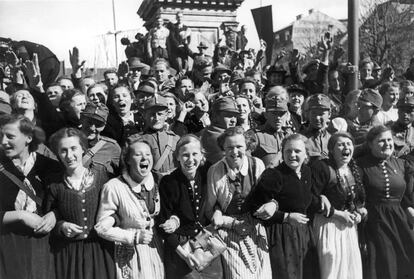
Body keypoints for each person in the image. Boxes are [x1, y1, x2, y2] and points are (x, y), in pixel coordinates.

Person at [247, 133, 320, 279]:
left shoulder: (306, 171)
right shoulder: (274, 175)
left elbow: (304, 198)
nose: (292, 155)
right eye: (288, 151)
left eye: (297, 151)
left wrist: (322, 199)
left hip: (303, 233)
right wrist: (285, 217)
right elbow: (254, 207)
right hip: (281, 235)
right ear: (282, 153)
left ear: (306, 153)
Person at [46, 128, 116, 279]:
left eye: (73, 148)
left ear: (83, 149)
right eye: (63, 151)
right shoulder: (54, 185)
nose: (69, 155)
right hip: (69, 254)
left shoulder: (101, 176)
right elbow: (48, 218)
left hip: (100, 251)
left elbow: (117, 206)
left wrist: (112, 219)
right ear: (58, 154)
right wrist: (61, 226)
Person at [206, 126, 272, 279]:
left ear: (247, 146)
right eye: (230, 147)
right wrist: (222, 216)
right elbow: (209, 210)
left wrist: (270, 205)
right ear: (223, 148)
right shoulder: (215, 171)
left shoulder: (257, 165)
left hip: (255, 228)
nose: (235, 152)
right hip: (229, 231)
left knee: (264, 275)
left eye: (239, 147)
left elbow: (266, 198)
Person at [0, 114, 61, 279]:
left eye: (10, 136)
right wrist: (20, 216)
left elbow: (66, 201)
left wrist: (54, 214)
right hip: (7, 247)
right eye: (1, 136)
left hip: (45, 247)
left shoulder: (51, 168)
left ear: (28, 138)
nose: (3, 141)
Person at [96, 136, 164, 279]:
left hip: (157, 251)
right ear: (127, 160)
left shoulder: (160, 182)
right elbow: (101, 227)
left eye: (147, 154)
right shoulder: (114, 187)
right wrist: (133, 236)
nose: (144, 158)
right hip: (130, 254)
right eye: (138, 155)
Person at [159, 134, 224, 278]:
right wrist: (185, 255)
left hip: (207, 243)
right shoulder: (168, 182)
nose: (190, 160)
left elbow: (219, 197)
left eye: (195, 154)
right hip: (181, 248)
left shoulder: (208, 174)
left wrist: (218, 211)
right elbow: (163, 226)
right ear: (177, 157)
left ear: (202, 155)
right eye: (185, 155)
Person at [357, 125, 414, 279]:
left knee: (406, 260)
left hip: (399, 220)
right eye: (381, 141)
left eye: (389, 140)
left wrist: (410, 210)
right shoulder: (360, 165)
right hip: (375, 221)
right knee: (385, 262)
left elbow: (408, 196)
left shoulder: (402, 165)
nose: (387, 144)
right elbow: (357, 195)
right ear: (370, 144)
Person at [311, 133, 366, 279]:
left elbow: (359, 201)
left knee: (349, 269)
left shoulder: (355, 170)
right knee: (331, 267)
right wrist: (338, 214)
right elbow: (311, 198)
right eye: (340, 144)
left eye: (349, 144)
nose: (346, 147)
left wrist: (359, 213)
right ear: (331, 149)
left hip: (348, 227)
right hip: (328, 225)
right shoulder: (322, 167)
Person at [141, 94, 180, 175]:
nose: (156, 118)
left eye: (160, 114)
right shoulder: (135, 140)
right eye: (152, 114)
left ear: (166, 115)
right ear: (144, 115)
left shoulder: (176, 139)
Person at [80, 103, 121, 178]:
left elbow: (123, 175)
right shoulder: (69, 142)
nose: (92, 128)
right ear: (81, 119)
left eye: (98, 124)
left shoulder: (112, 147)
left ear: (104, 126)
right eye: (89, 122)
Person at [200, 96, 239, 165]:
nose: (233, 120)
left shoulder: (206, 131)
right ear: (215, 116)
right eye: (229, 116)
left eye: (235, 116)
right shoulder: (216, 136)